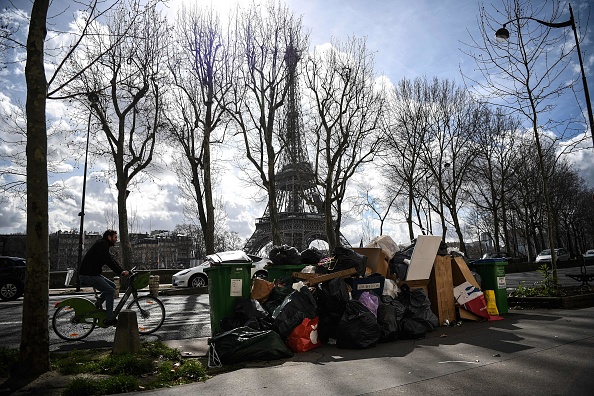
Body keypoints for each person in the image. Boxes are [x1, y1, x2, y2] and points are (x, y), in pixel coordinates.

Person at [79, 230, 129, 326]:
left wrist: (121, 271)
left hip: (92, 274)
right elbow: (108, 261)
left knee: (112, 286)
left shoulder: (102, 244)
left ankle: (96, 307)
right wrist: (120, 272)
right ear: (109, 237)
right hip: (88, 275)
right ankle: (110, 318)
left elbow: (111, 259)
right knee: (110, 291)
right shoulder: (102, 244)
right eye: (115, 237)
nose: (116, 239)